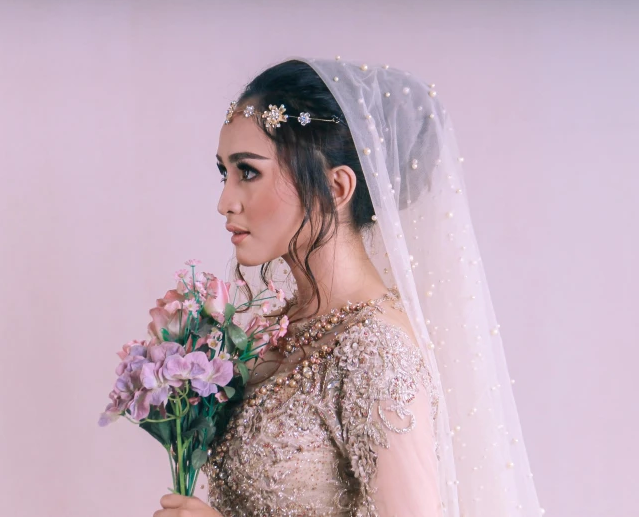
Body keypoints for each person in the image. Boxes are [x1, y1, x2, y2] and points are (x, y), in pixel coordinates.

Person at [154, 57, 543, 516]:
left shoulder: (375, 351)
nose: (225, 201)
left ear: (336, 187)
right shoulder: (273, 331)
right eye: (225, 172)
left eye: (249, 172)